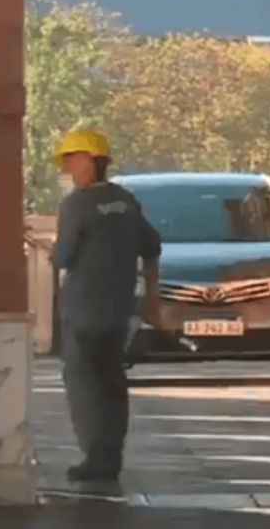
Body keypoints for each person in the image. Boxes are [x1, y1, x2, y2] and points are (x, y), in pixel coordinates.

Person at [50, 129, 162, 483]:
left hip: (84, 309)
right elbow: (152, 247)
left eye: (71, 159)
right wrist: (153, 297)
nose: (67, 167)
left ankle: (94, 458)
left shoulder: (76, 204)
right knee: (112, 381)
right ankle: (110, 455)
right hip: (119, 309)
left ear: (88, 159)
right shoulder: (127, 202)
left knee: (83, 382)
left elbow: (63, 257)